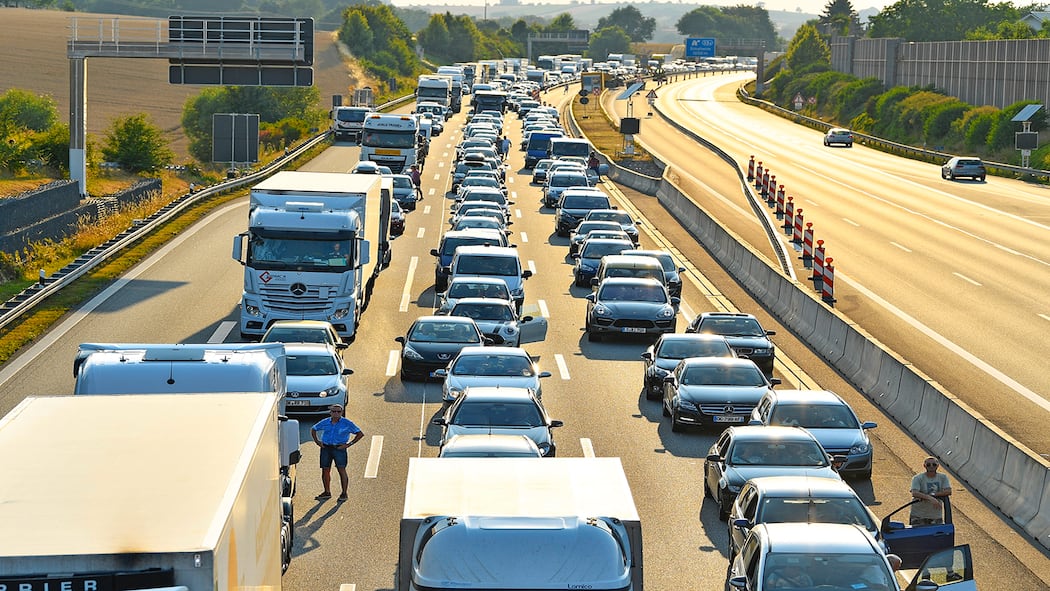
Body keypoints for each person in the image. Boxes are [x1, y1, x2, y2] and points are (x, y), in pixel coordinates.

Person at [311, 404, 364, 501]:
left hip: (339, 448)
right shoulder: (325, 422)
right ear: (330, 412)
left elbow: (360, 434)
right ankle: (327, 492)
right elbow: (314, 429)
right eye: (334, 411)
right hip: (326, 448)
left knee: (341, 470)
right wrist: (317, 442)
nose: (336, 413)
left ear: (342, 412)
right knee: (325, 470)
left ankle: (344, 493)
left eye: (338, 411)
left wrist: (348, 444)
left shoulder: (347, 423)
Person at [910, 456, 952, 524]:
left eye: (934, 464)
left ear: (937, 466)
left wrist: (933, 495)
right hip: (918, 516)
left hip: (935, 516)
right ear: (924, 466)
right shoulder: (917, 478)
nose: (931, 466)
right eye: (928, 465)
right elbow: (915, 493)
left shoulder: (943, 477)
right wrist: (931, 498)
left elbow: (948, 491)